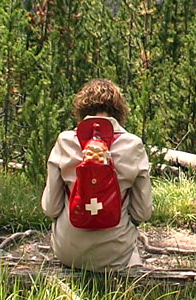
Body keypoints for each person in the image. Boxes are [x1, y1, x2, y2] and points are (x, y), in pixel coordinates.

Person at [41, 79, 152, 271]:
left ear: (82, 109)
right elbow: (143, 212)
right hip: (115, 253)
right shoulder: (133, 145)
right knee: (131, 252)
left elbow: (50, 208)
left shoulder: (65, 141)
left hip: (69, 252)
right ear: (119, 111)